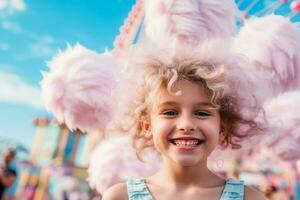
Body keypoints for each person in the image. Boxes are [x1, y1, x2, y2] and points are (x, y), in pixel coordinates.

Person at [102, 57, 267, 200]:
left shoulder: (251, 198)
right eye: (170, 112)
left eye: (202, 113)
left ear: (222, 128)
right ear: (147, 126)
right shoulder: (119, 197)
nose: (186, 125)